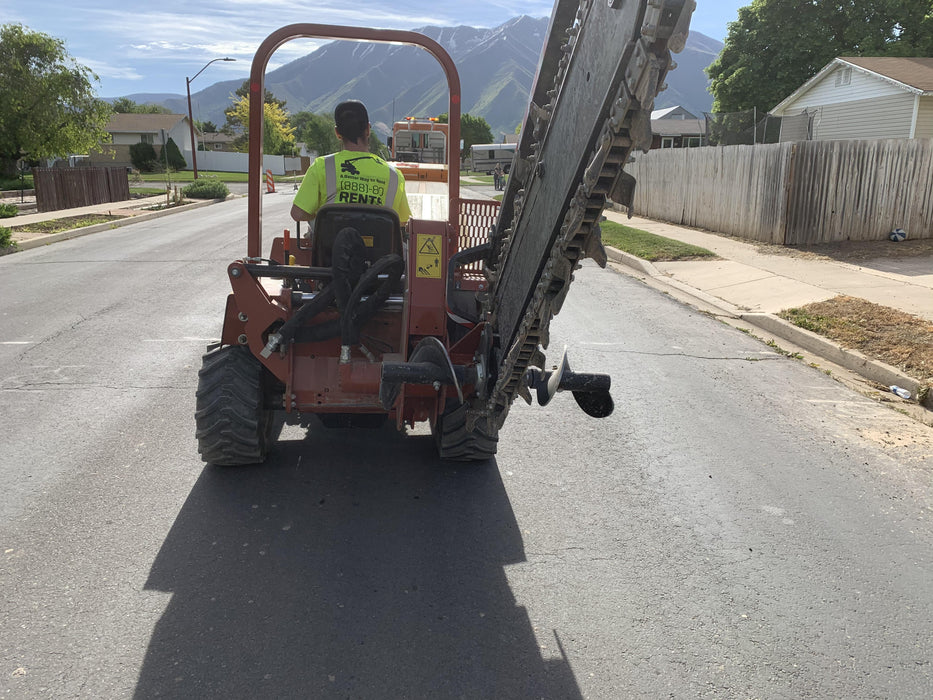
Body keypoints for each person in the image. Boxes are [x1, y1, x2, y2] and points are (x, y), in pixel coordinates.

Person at [291, 100, 411, 227]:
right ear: (368, 129)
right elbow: (403, 222)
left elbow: (298, 214)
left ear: (337, 133)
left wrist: (323, 216)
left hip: (332, 240)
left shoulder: (322, 166)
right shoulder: (394, 176)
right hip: (378, 240)